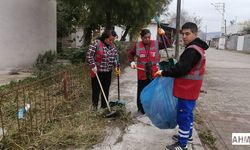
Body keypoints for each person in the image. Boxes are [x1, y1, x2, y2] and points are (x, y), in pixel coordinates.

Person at [155, 22, 209, 150]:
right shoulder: (197, 48)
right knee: (188, 114)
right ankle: (187, 136)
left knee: (183, 116)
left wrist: (164, 72)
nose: (184, 36)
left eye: (187, 34)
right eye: (183, 34)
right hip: (191, 89)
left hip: (187, 89)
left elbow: (181, 69)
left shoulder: (192, 50)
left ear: (195, 34)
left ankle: (182, 144)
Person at [128, 28, 171, 115]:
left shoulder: (156, 43)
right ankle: (141, 109)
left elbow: (167, 44)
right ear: (141, 37)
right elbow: (130, 54)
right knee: (141, 91)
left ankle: (151, 109)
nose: (147, 39)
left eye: (149, 37)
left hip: (154, 73)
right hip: (142, 73)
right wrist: (132, 62)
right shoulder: (137, 45)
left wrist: (163, 35)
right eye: (145, 37)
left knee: (153, 92)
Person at [86, 30, 120, 110]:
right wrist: (93, 65)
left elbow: (115, 57)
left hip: (108, 72)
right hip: (97, 72)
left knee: (106, 90)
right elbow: (89, 55)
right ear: (105, 38)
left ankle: (104, 107)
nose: (112, 41)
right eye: (110, 39)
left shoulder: (113, 46)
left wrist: (116, 66)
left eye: (113, 40)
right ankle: (94, 108)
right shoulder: (96, 43)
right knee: (96, 90)